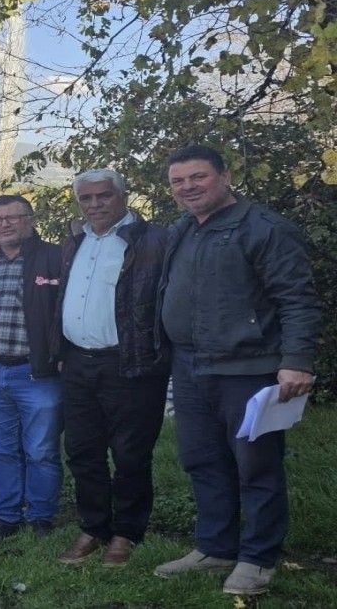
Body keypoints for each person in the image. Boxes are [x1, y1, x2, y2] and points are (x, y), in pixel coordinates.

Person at [152, 145, 319, 596]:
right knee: (203, 460)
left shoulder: (264, 229)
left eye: (198, 177)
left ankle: (257, 559)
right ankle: (215, 548)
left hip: (248, 369)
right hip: (189, 366)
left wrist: (295, 362)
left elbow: (297, 299)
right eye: (178, 181)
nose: (188, 187)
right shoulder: (183, 230)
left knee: (256, 466)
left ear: (225, 176)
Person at [56, 170, 170, 568]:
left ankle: (126, 532)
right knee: (83, 450)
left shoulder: (153, 239)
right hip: (77, 361)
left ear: (123, 196)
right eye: (86, 199)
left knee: (130, 452)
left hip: (129, 362)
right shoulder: (74, 240)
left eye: (103, 196)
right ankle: (93, 526)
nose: (95, 205)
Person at [0, 195, 64, 543]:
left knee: (41, 450)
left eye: (12, 217)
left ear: (30, 219)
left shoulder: (53, 257)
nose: (4, 224)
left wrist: (59, 355)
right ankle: (6, 516)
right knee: (0, 450)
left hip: (36, 374)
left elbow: (64, 309)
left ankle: (40, 517)